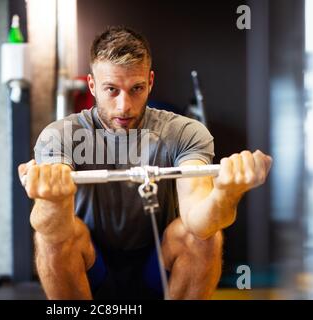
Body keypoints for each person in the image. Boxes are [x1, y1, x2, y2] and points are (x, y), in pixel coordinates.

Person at [18, 26, 272, 300]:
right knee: (51, 239)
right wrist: (51, 200)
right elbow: (47, 228)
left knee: (203, 238)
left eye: (136, 88)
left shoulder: (185, 132)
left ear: (150, 81)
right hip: (91, 267)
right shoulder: (60, 135)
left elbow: (199, 222)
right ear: (92, 86)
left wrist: (226, 193)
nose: (123, 106)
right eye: (111, 90)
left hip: (159, 268)